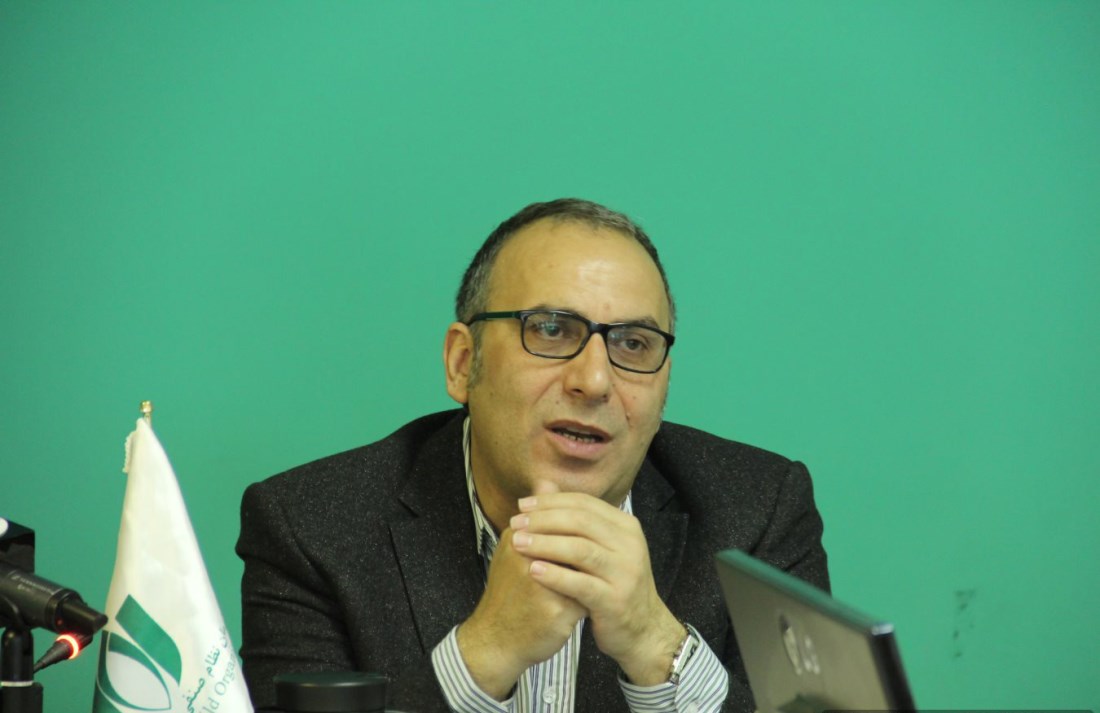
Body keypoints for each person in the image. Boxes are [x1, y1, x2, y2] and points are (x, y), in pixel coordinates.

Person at [236, 198, 829, 713]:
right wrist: (485, 651)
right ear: (463, 363)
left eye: (633, 343)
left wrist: (655, 644)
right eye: (550, 330)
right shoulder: (310, 528)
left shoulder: (758, 514)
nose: (594, 381)